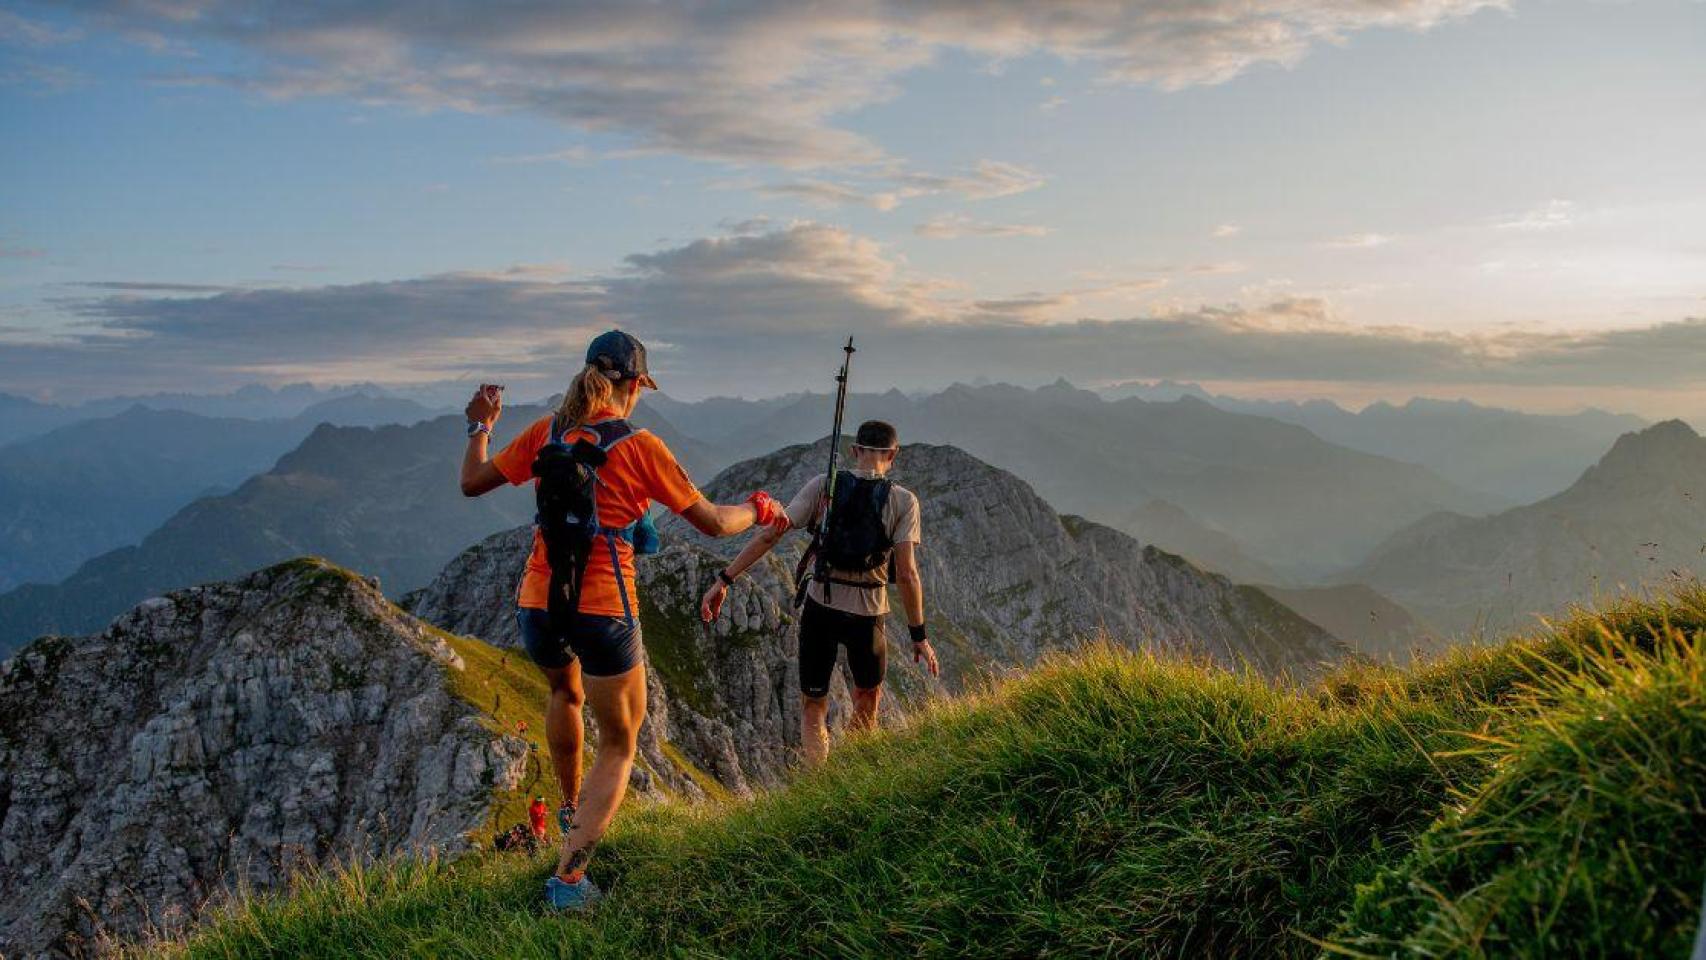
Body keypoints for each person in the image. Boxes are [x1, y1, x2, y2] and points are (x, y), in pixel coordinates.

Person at [459, 329, 787, 911]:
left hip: (538, 598)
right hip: (604, 605)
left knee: (565, 692)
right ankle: (568, 882)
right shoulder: (639, 445)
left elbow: (472, 482)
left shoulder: (547, 432)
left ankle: (571, 810)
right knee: (621, 743)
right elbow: (711, 521)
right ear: (633, 386)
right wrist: (759, 509)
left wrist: (481, 425)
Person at [700, 419, 939, 766]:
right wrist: (919, 636)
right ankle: (852, 776)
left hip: (820, 609)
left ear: (855, 451)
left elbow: (770, 535)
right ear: (893, 455)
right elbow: (907, 573)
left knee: (814, 703)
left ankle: (819, 779)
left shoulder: (824, 486)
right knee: (867, 696)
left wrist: (724, 579)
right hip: (868, 614)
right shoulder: (903, 501)